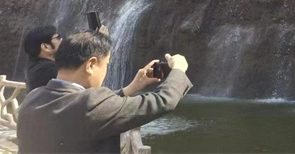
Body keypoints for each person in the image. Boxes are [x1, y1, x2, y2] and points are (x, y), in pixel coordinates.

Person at [17, 30, 192, 154]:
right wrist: (178, 70)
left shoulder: (33, 98)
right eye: (106, 64)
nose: (106, 70)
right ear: (91, 64)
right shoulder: (90, 103)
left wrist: (130, 89)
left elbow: (85, 108)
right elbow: (163, 101)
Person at [23, 25, 62, 91]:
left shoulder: (34, 67)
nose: (62, 40)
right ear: (45, 47)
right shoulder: (48, 69)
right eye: (58, 37)